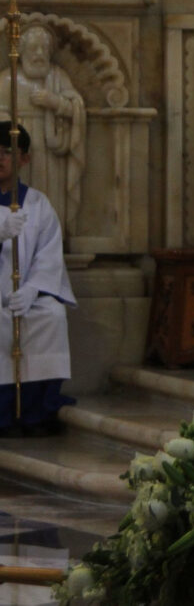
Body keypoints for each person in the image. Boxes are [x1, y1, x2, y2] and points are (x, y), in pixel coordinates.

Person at [0, 122, 77, 438]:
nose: (0, 158)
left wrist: (33, 289)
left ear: (24, 160)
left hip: (24, 295)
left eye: (7, 152)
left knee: (51, 316)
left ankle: (36, 412)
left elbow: (49, 255)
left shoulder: (37, 204)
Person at [0, 24, 87, 235]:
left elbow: (76, 107)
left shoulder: (57, 76)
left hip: (50, 150)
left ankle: (48, 237)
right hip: (17, 147)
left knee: (47, 196)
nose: (39, 54)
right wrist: (11, 126)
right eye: (33, 48)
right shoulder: (7, 78)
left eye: (43, 48)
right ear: (21, 50)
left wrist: (55, 102)